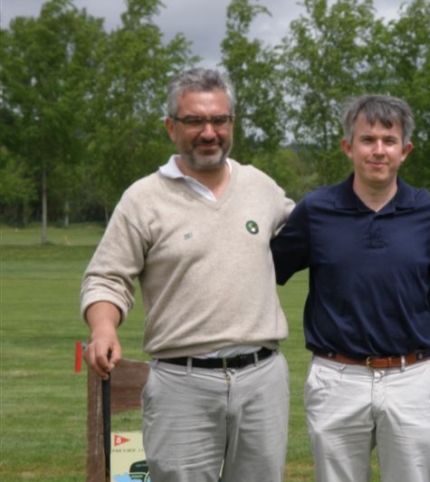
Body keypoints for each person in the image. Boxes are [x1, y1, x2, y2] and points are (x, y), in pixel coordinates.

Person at [80, 67, 294, 482]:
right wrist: (103, 328)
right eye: (194, 121)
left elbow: (318, 237)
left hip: (262, 379)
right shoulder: (143, 198)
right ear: (170, 127)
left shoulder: (261, 187)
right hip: (181, 382)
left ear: (232, 123)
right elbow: (107, 277)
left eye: (219, 120)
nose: (209, 132)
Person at [271, 94, 430, 482]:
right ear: (347, 147)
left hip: (411, 376)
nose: (378, 150)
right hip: (337, 376)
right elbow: (266, 271)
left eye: (389, 141)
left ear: (405, 150)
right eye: (367, 140)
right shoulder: (316, 210)